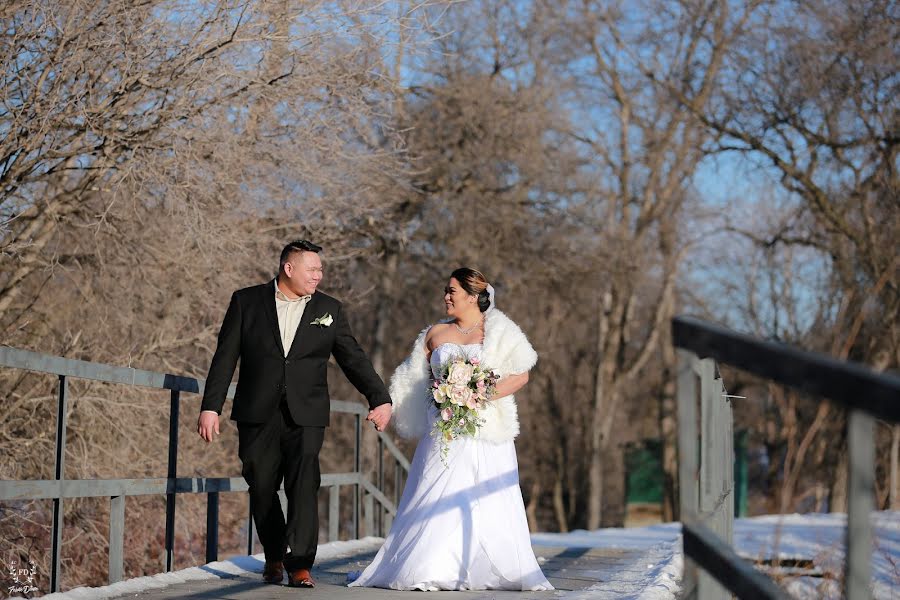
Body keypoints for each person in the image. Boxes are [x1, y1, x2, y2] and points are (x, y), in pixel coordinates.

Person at [197, 240, 392, 588]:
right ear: (289, 269)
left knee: (304, 484)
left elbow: (353, 358)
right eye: (312, 269)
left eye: (320, 270)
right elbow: (225, 357)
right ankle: (273, 555)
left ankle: (300, 564)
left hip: (308, 413)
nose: (319, 276)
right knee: (260, 483)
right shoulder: (246, 302)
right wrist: (211, 406)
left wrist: (379, 397)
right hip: (257, 411)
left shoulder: (329, 308)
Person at [348, 268, 553, 592]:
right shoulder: (433, 333)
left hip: (487, 431)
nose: (446, 296)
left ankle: (483, 567)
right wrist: (387, 408)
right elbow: (410, 379)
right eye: (445, 290)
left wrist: (480, 393)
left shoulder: (499, 330)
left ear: (472, 297)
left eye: (452, 291)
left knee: (485, 496)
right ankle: (427, 567)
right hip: (442, 428)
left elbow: (521, 374)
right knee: (433, 490)